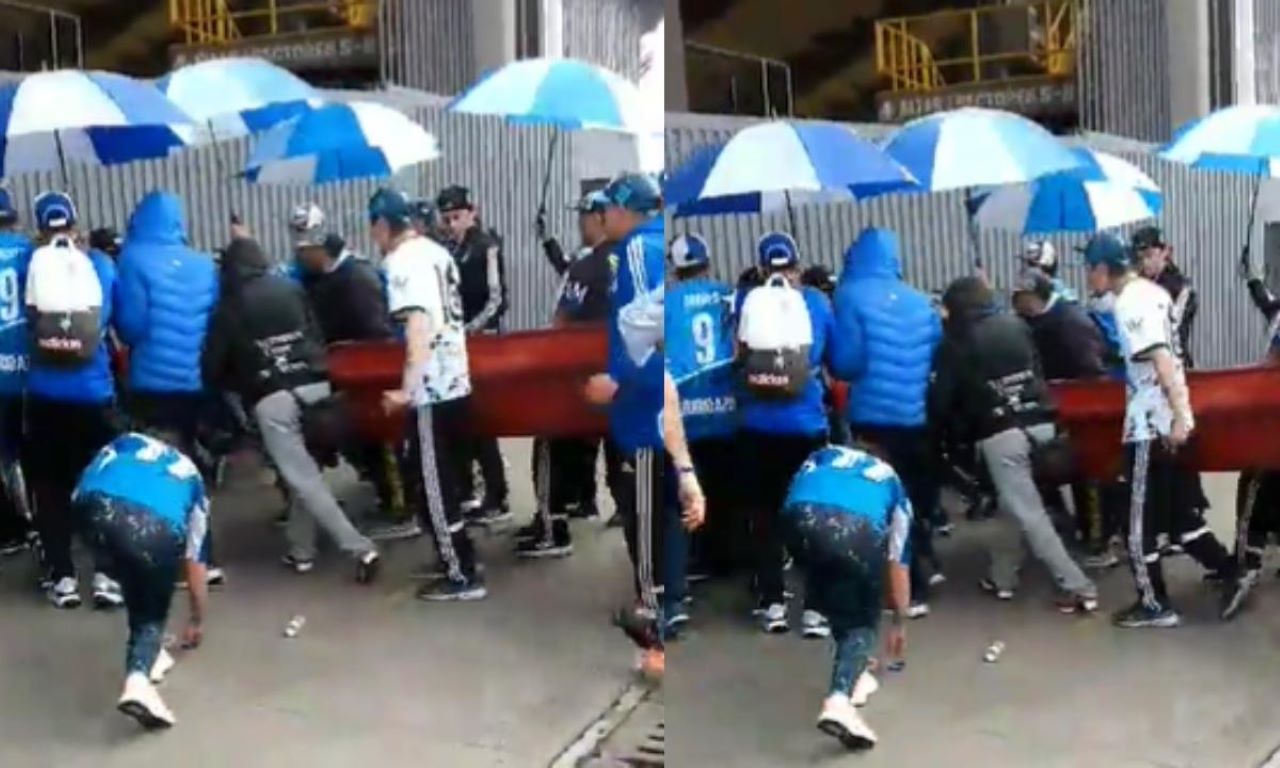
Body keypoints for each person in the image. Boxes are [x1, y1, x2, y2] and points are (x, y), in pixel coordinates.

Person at [1081, 233, 1251, 626]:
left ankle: (1155, 605)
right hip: (1167, 419)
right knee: (1179, 516)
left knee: (1136, 523)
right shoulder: (1153, 292)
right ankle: (1229, 569)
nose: (1089, 278)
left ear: (1103, 270)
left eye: (1091, 270)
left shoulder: (1131, 304)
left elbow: (1161, 359)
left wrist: (1180, 417)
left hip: (1151, 426)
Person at [201, 231, 380, 583]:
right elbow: (315, 333)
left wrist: (242, 382)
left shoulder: (229, 305)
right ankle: (302, 550)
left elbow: (213, 367)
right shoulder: (289, 287)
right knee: (304, 470)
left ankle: (360, 548)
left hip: (274, 398)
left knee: (303, 478)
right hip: (317, 387)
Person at [928, 275, 1098, 613]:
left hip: (1000, 432)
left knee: (1030, 513)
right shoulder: (1016, 325)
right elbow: (1037, 370)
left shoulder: (955, 341)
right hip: (1043, 422)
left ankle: (1079, 587)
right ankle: (1002, 577)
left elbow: (944, 398)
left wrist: (942, 432)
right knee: (1014, 506)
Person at [372, 188, 486, 601]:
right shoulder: (436, 253)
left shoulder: (401, 262)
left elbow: (418, 325)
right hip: (457, 377)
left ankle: (462, 574)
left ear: (383, 226)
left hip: (432, 388)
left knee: (432, 483)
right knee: (448, 480)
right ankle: (458, 558)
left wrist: (406, 390)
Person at [831, 227, 942, 617]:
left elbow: (847, 362)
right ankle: (922, 580)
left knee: (878, 506)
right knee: (911, 500)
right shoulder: (920, 301)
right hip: (915, 416)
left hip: (871, 419)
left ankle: (894, 593)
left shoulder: (848, 296)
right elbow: (935, 353)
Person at [24, 191, 126, 609]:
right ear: (75, 222)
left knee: (49, 488)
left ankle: (63, 577)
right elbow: (125, 320)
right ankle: (105, 574)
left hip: (46, 395)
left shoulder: (32, 264)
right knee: (101, 482)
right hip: (94, 393)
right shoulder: (100, 265)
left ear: (39, 226)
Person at [737, 231, 841, 636]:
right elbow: (842, 359)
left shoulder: (747, 301)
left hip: (757, 427)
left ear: (762, 268)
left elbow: (738, 358)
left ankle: (772, 604)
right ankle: (816, 611)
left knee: (764, 517)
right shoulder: (816, 302)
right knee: (813, 514)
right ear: (797, 266)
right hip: (807, 426)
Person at [289, 204, 413, 543]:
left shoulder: (358, 280)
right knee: (361, 440)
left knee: (384, 442)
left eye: (303, 251)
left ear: (319, 248)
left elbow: (379, 334)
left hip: (374, 374)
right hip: (349, 376)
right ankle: (387, 494)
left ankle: (402, 507)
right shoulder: (319, 278)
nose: (298, 258)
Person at [71, 431, 211, 730]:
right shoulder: (192, 476)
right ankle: (138, 684)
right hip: (154, 525)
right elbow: (196, 560)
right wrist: (197, 619)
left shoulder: (125, 441)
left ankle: (148, 651)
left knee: (131, 571)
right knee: (150, 607)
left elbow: (89, 475)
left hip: (90, 509)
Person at [781, 443, 911, 750]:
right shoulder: (893, 484)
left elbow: (797, 491)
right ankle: (839, 700)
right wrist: (899, 622)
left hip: (797, 519)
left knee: (835, 590)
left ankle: (854, 668)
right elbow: (898, 562)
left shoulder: (822, 454)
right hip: (856, 527)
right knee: (862, 618)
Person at [584, 173, 666, 624]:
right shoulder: (655, 246)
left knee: (645, 506)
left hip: (643, 409)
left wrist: (620, 379)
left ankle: (651, 603)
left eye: (606, 211)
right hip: (655, 404)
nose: (601, 219)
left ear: (624, 210)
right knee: (657, 506)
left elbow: (645, 331)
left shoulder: (638, 250)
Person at [518, 190, 619, 558]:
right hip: (621, 376)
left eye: (584, 216)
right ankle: (590, 505)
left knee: (550, 442)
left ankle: (552, 526)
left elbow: (562, 322)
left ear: (600, 218)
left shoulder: (589, 265)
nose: (580, 223)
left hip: (581, 373)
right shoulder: (632, 261)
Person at [1011, 268, 1118, 568]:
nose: (1015, 304)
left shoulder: (1069, 322)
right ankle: (1080, 533)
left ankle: (1098, 543)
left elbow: (1093, 370)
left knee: (1090, 476)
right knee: (1067, 472)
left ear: (1034, 297)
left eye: (1019, 298)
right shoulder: (1037, 320)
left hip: (1085, 412)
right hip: (1061, 410)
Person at [664, 234, 739, 592]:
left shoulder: (666, 302)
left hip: (684, 410)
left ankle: (693, 559)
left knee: (688, 486)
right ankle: (725, 557)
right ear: (707, 262)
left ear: (675, 269)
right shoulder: (728, 296)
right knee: (726, 485)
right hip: (726, 405)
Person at [437, 185, 510, 524]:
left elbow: (497, 300)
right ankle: (473, 491)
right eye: (447, 218)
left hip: (482, 342)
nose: (452, 224)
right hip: (456, 343)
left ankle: (497, 495)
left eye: (457, 216)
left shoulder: (487, 246)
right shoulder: (448, 248)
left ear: (473, 212)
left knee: (483, 422)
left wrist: (468, 330)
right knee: (464, 420)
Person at [0, 189, 32, 556]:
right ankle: (44, 522)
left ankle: (15, 525)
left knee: (5, 455)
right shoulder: (32, 253)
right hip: (31, 369)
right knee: (34, 452)